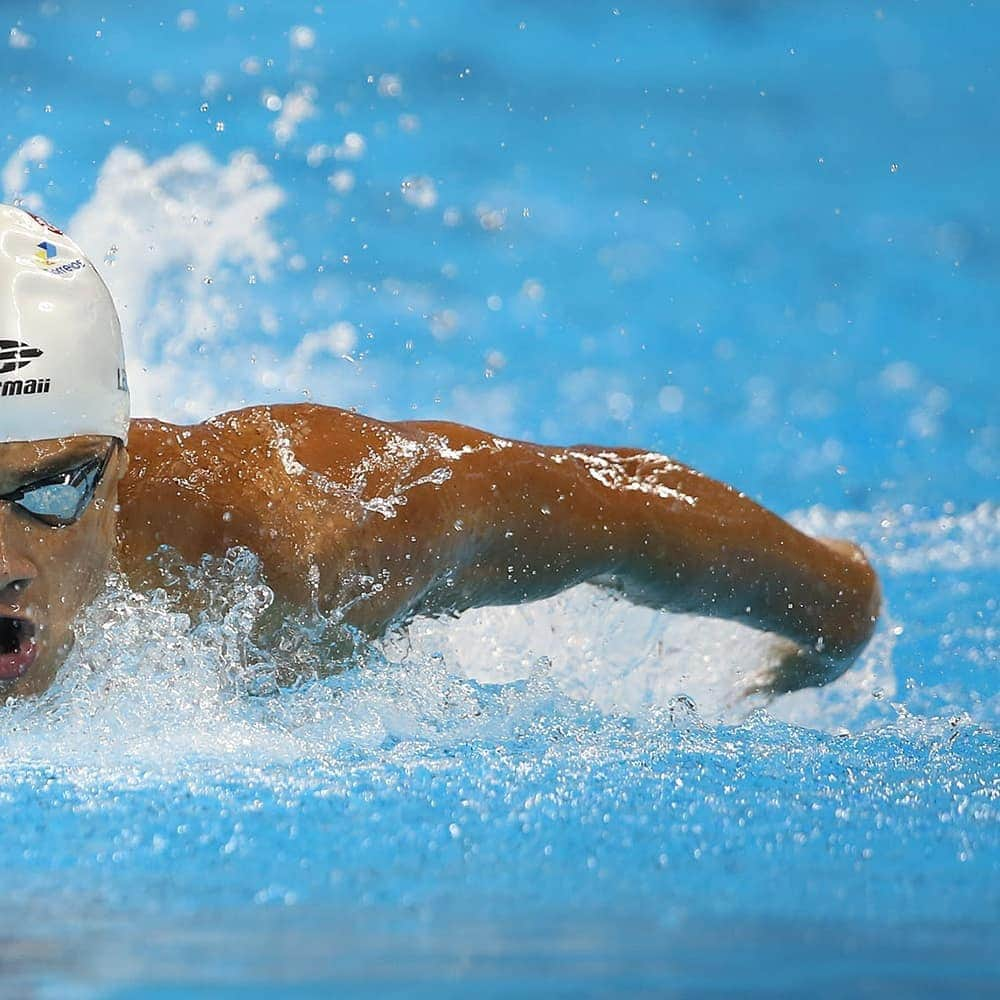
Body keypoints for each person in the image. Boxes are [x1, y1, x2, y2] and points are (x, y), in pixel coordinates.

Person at [0, 205, 881, 698]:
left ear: (119, 467)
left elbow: (613, 507)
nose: (5, 562)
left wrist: (834, 608)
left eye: (49, 490)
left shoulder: (298, 538)